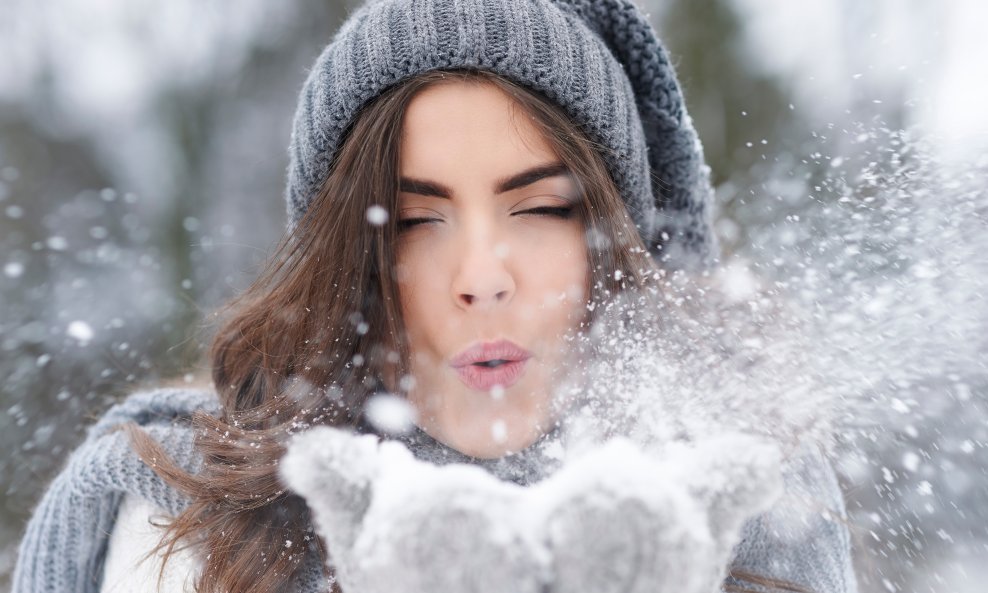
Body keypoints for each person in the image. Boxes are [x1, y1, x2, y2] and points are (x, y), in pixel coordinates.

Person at [12, 1, 858, 592]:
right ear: (349, 257)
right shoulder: (188, 526)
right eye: (417, 221)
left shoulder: (747, 501)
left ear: (612, 238)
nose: (481, 275)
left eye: (539, 208)